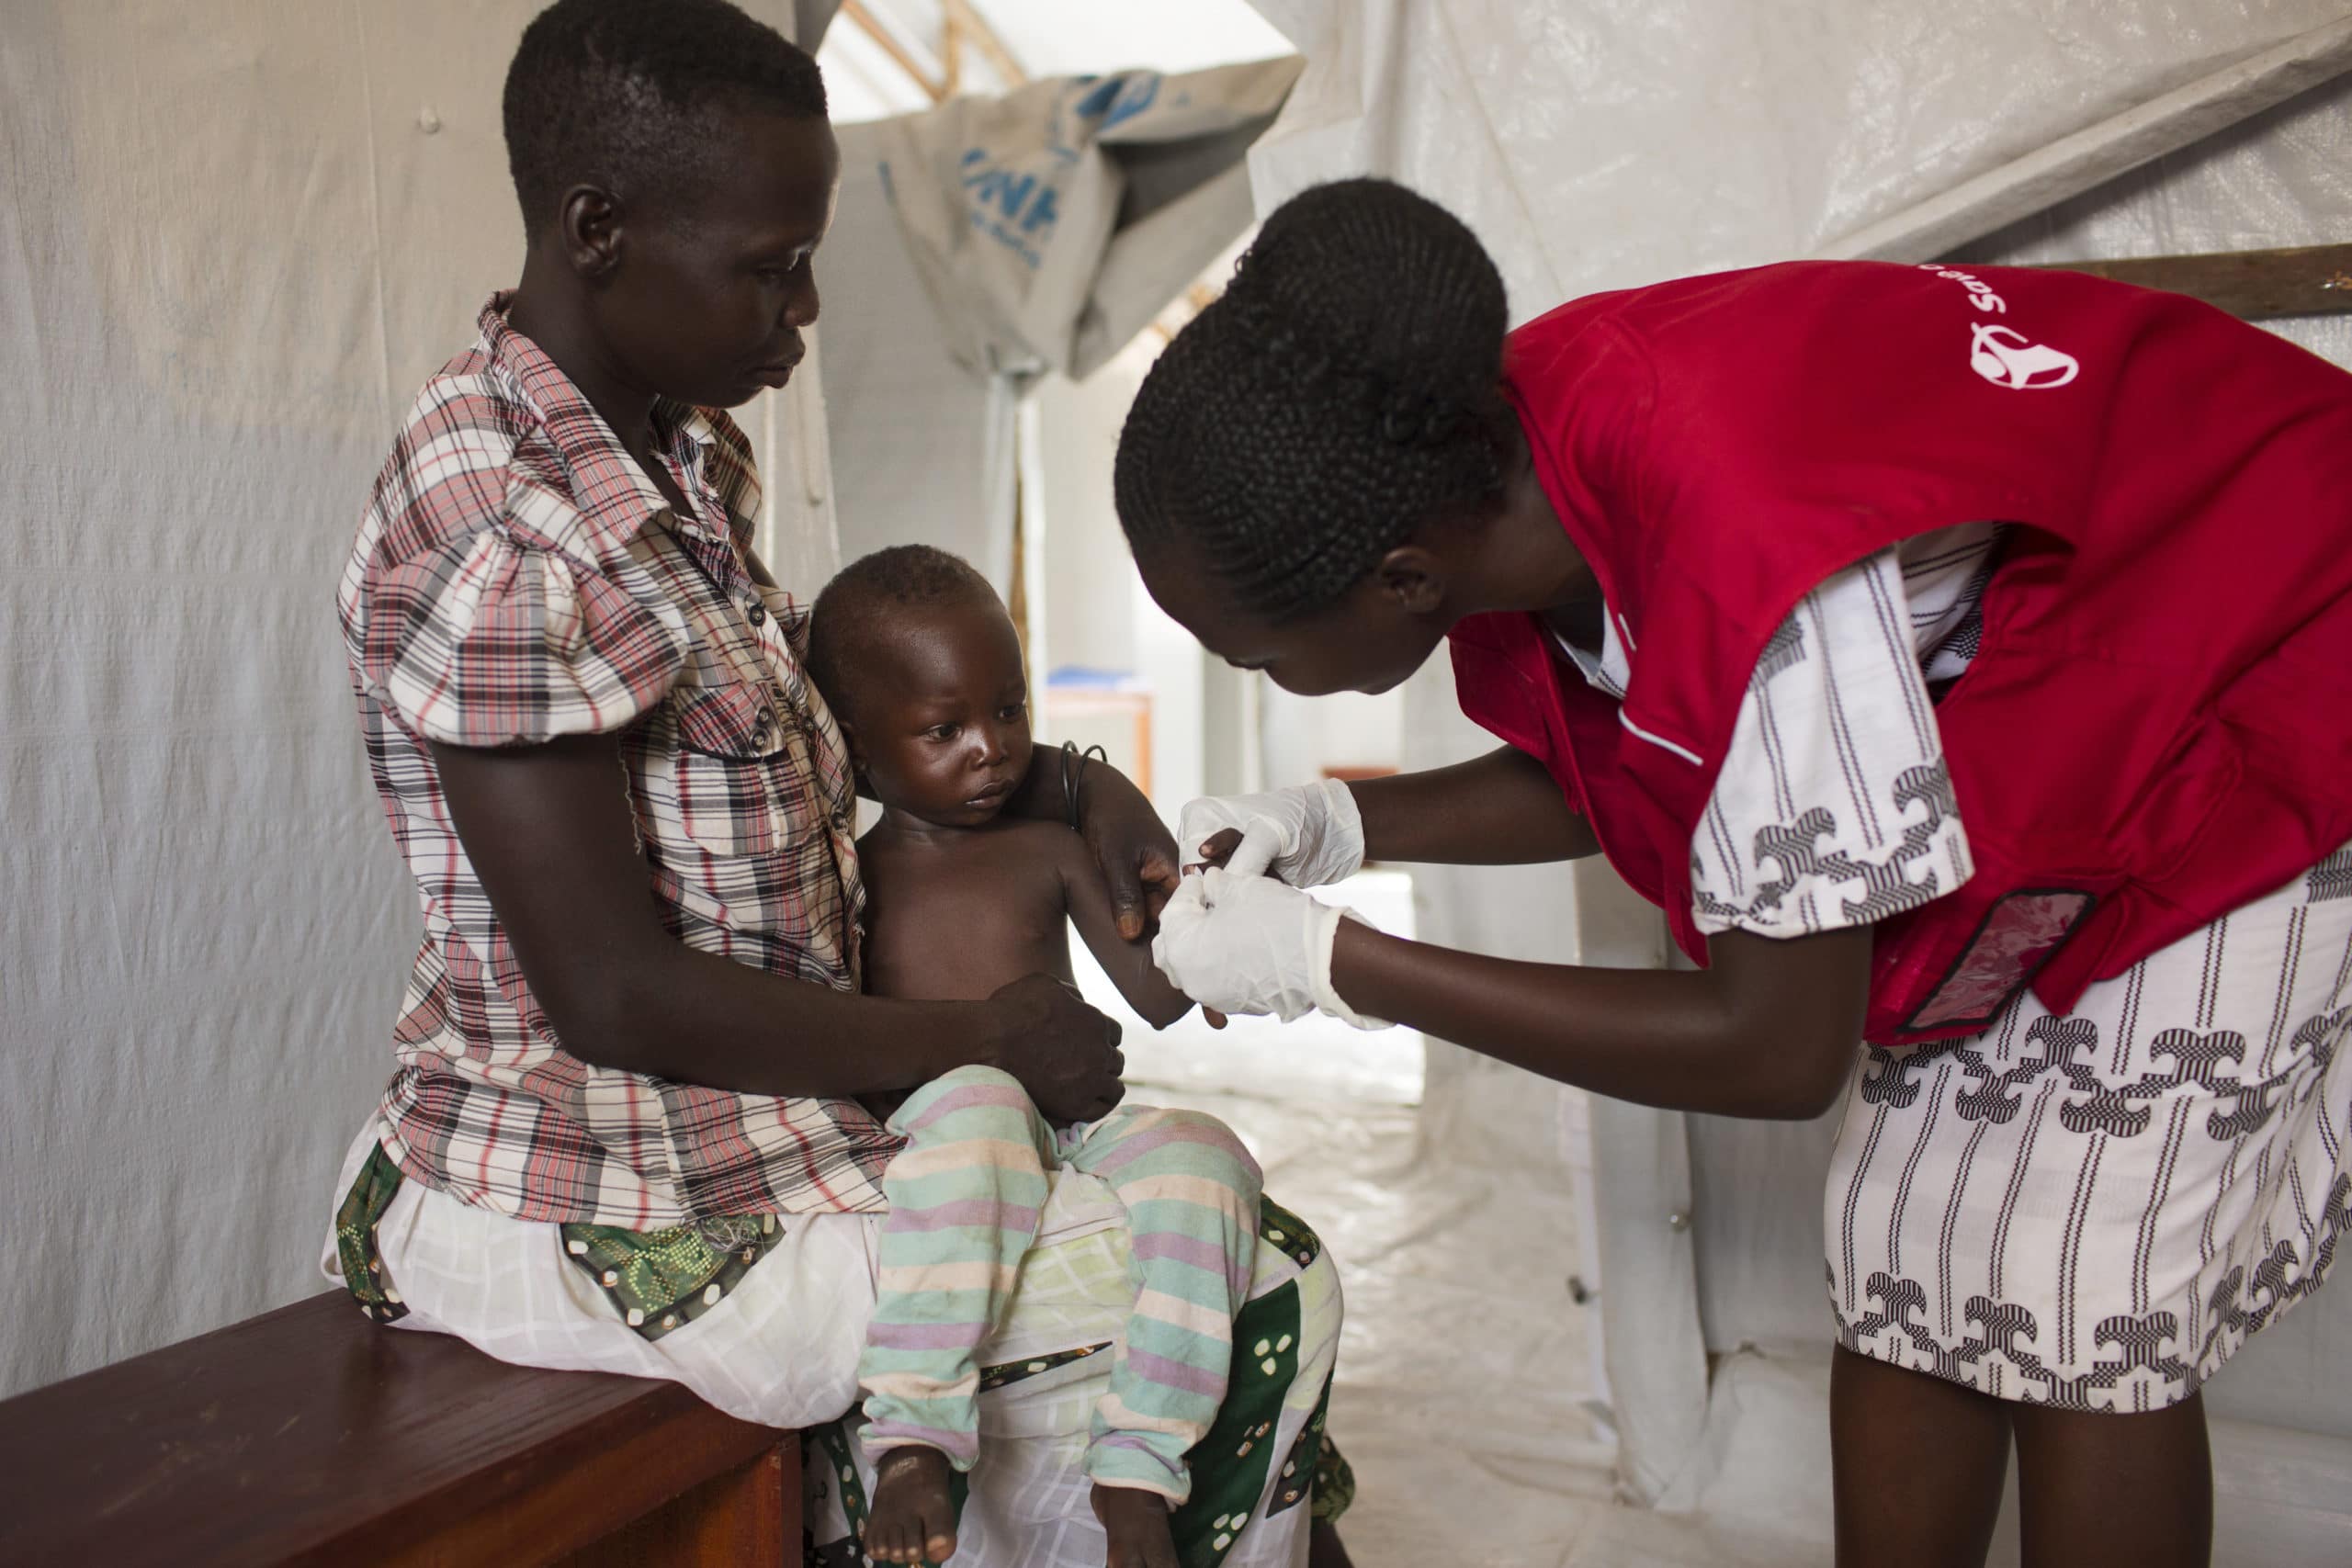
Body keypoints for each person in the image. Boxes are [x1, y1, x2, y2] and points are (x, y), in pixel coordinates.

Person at [1122, 177, 2352, 1568]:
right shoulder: (1510, 452)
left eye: (1252, 651)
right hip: (2100, 688)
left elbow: (1775, 1046)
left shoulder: (1743, 553)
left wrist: (1331, 963)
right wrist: (1343, 824)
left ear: (1404, 579)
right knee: (1903, 1251)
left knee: (2076, 1296)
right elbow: (1658, 755)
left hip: (2285, 659)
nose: (1254, 677)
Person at [322, 5, 1351, 1564]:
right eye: (768, 263)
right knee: (1246, 1283)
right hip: (598, 1170)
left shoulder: (673, 457)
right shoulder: (506, 533)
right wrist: (976, 1036)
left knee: (1205, 1221)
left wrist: (1073, 783)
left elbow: (831, 712)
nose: (803, 306)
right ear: (598, 230)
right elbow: (606, 992)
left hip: (780, 1111)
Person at [804, 545, 1274, 1568]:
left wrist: (1221, 922)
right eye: (944, 729)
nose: (992, 749)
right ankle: (916, 1443)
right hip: (951, 1118)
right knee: (975, 1102)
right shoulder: (848, 877)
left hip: (1076, 1122)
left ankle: (1141, 1468)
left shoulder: (1049, 848)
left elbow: (1159, 992)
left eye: (1009, 710)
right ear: (858, 748)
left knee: (1208, 1150)